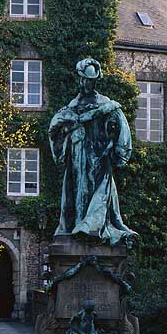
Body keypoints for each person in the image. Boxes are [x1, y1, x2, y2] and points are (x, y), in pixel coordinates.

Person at [49, 58, 137, 245]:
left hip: (98, 158)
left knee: (98, 194)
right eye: (84, 79)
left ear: (96, 80)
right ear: (79, 79)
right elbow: (55, 130)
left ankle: (91, 229)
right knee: (76, 194)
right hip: (77, 157)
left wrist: (119, 152)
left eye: (91, 80)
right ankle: (78, 228)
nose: (87, 83)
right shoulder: (71, 107)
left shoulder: (107, 105)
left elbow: (122, 130)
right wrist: (64, 135)